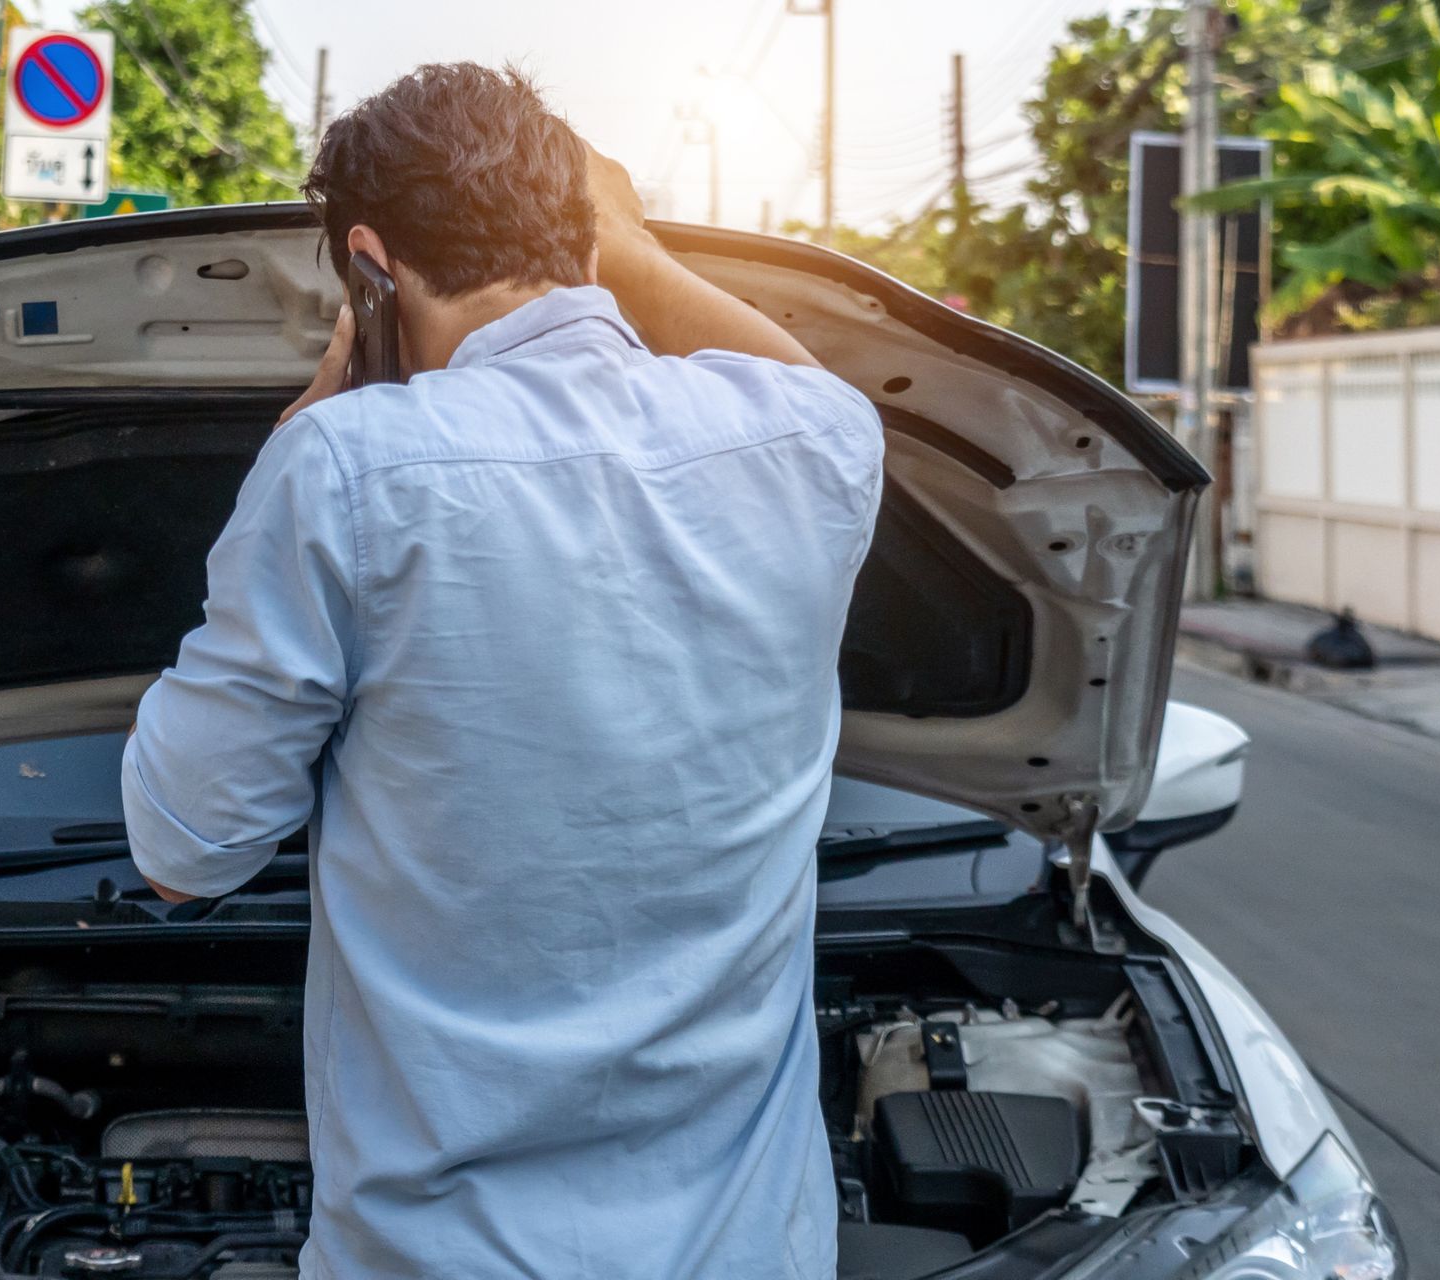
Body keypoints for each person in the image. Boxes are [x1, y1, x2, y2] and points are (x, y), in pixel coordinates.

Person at [122, 63, 884, 1280]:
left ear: (370, 257)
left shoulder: (343, 467)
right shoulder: (818, 442)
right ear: (580, 229)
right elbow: (801, 381)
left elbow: (181, 846)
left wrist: (315, 402)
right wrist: (617, 246)